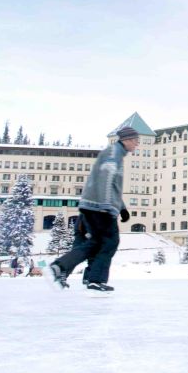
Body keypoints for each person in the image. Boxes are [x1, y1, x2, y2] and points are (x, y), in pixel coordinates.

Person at [48, 125, 139, 292]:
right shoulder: (114, 154)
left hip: (96, 206)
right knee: (109, 242)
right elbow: (106, 179)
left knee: (97, 243)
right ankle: (85, 276)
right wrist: (105, 206)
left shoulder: (115, 153)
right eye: (136, 141)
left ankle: (69, 270)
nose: (137, 144)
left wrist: (122, 208)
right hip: (99, 207)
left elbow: (113, 186)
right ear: (127, 140)